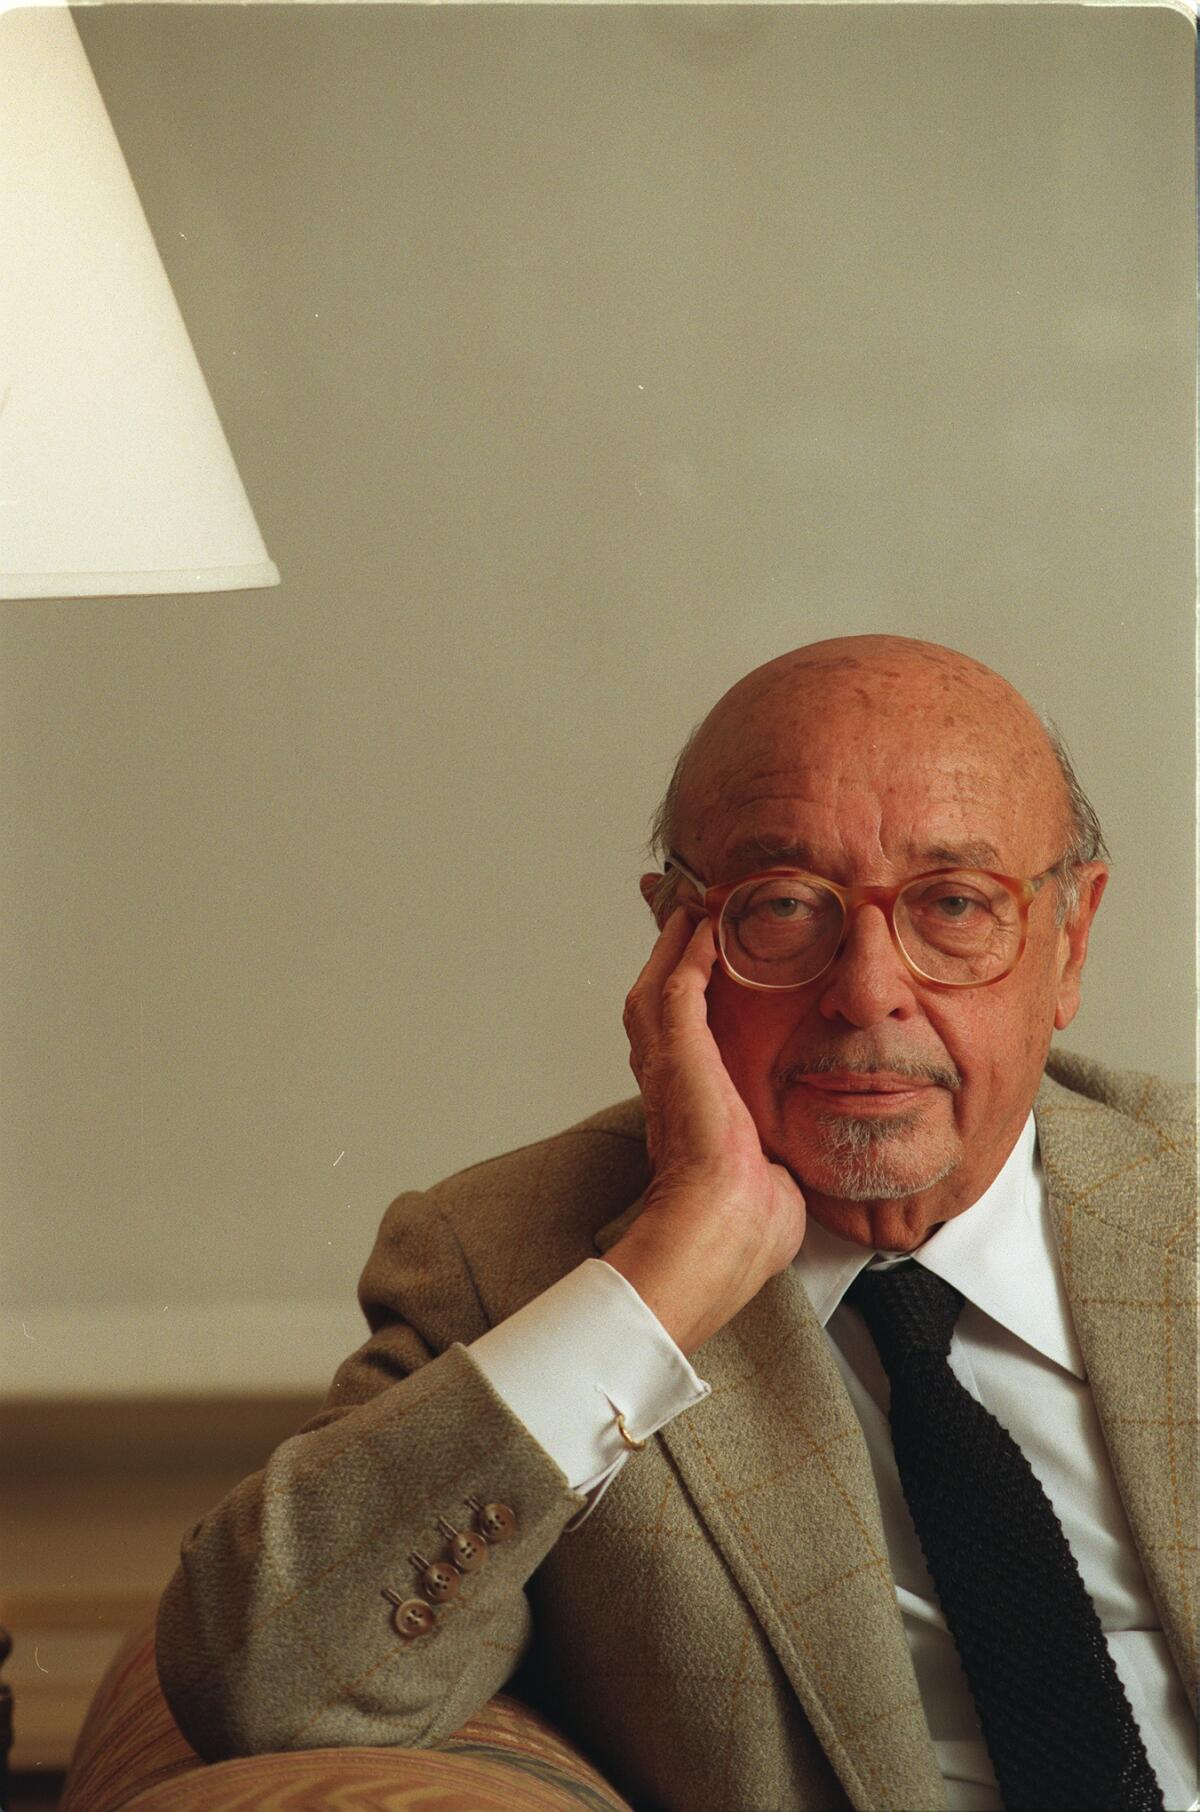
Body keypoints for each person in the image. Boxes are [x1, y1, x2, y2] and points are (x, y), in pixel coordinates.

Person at [156, 635, 1196, 1812]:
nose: (864, 989)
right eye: (784, 909)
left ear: (1071, 941)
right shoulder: (509, 1260)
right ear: (674, 945)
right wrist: (660, 1282)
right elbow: (262, 1679)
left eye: (954, 905)